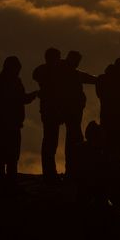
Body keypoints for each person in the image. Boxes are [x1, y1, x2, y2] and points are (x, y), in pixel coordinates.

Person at [33, 48, 96, 181]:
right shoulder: (54, 71)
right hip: (59, 111)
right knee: (56, 141)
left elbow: (85, 77)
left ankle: (62, 172)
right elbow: (38, 75)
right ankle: (56, 173)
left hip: (65, 112)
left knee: (62, 141)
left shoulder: (64, 71)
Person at [0, 56, 38, 186]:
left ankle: (7, 181)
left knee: (10, 155)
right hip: (6, 124)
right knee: (7, 154)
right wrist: (32, 95)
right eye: (16, 69)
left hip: (11, 124)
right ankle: (6, 181)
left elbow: (21, 99)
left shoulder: (1, 82)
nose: (18, 71)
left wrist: (32, 95)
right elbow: (20, 99)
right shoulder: (5, 82)